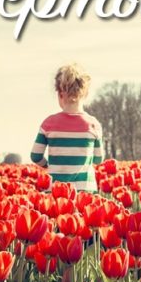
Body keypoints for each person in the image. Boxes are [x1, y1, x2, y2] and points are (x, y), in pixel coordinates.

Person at [30, 63, 104, 192]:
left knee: (59, 212)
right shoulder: (93, 124)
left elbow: (35, 155)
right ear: (86, 94)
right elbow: (99, 158)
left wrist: (49, 165)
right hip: (85, 190)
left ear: (59, 94)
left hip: (56, 190)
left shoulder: (49, 123)